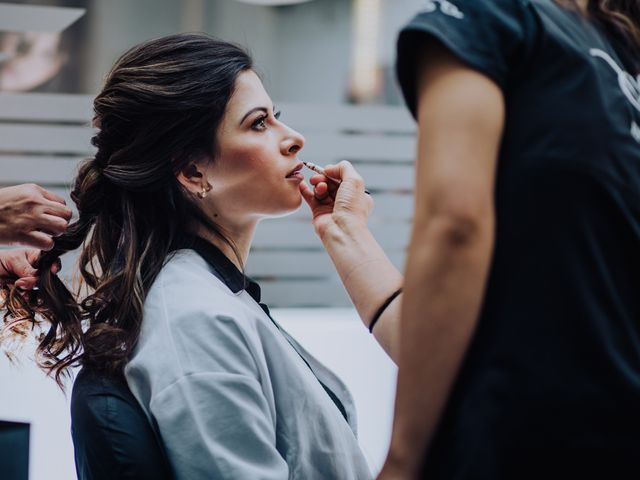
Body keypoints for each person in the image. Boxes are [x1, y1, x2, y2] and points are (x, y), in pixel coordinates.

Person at [2, 34, 404, 479]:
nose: (294, 139)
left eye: (278, 118)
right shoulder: (195, 321)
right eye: (258, 124)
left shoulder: (209, 299)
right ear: (193, 172)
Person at [379, 0, 640, 479]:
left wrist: (402, 460)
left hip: (526, 438)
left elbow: (455, 226)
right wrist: (346, 233)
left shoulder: (489, 14)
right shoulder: (618, 57)